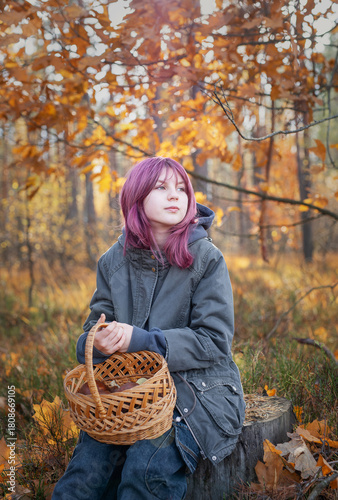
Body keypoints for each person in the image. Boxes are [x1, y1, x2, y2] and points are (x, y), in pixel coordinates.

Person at [52, 157, 245, 500]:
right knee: (83, 476)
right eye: (161, 187)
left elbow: (214, 342)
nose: (176, 196)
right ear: (137, 198)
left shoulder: (206, 258)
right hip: (128, 398)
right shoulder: (113, 261)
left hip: (194, 395)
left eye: (182, 188)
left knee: (146, 470)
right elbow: (90, 330)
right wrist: (99, 343)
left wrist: (140, 340)